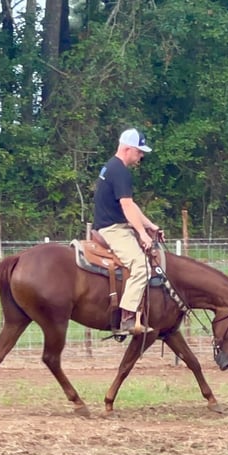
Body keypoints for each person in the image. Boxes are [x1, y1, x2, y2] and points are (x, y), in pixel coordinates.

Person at [93, 128, 165, 334]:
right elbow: (126, 206)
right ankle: (127, 317)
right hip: (113, 229)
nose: (141, 156)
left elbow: (131, 206)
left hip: (112, 225)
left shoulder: (111, 167)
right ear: (127, 149)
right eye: (139, 151)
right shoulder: (120, 171)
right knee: (141, 265)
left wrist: (150, 225)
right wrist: (142, 234)